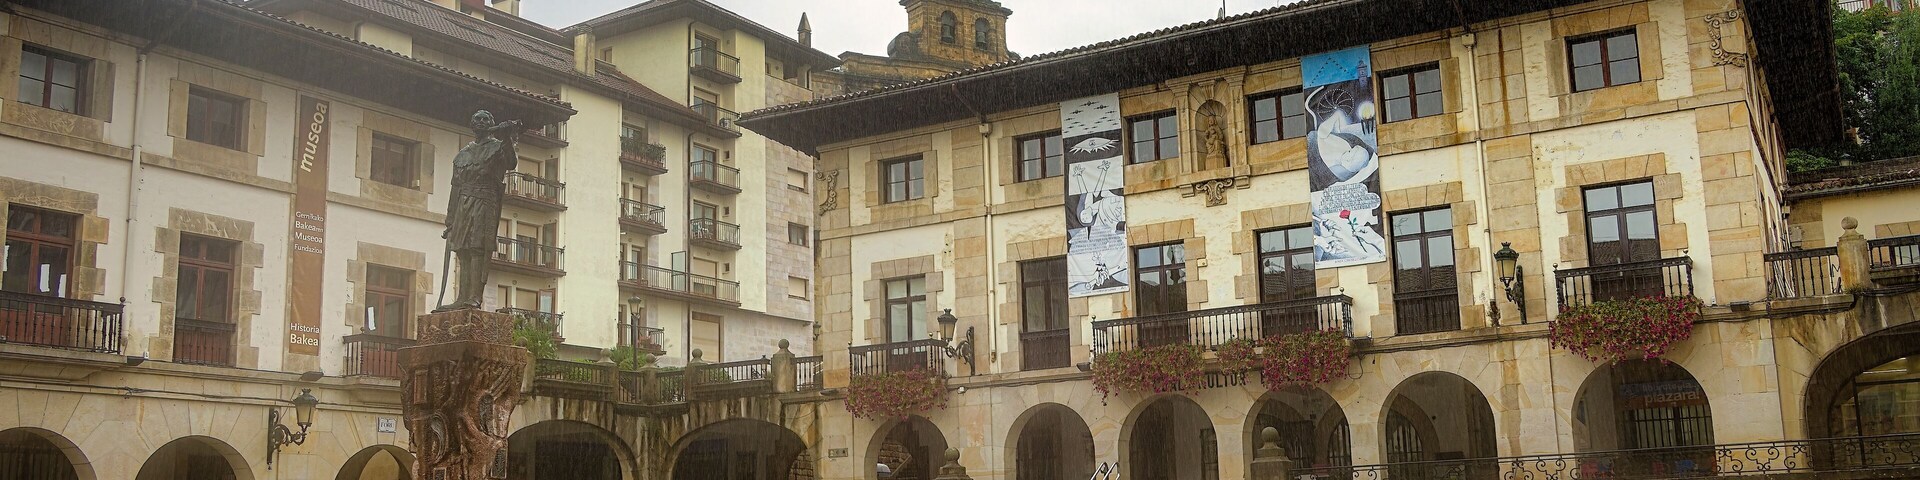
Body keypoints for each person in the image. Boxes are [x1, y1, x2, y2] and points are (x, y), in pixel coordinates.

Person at [437, 110, 522, 311]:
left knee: (477, 248)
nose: (482, 122)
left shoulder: (497, 147)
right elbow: (455, 187)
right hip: (464, 204)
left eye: (486, 119)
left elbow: (511, 163)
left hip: (485, 201)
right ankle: (461, 298)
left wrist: (507, 137)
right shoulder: (463, 154)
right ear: (472, 125)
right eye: (478, 119)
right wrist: (450, 220)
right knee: (462, 249)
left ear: (491, 123)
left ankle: (475, 296)